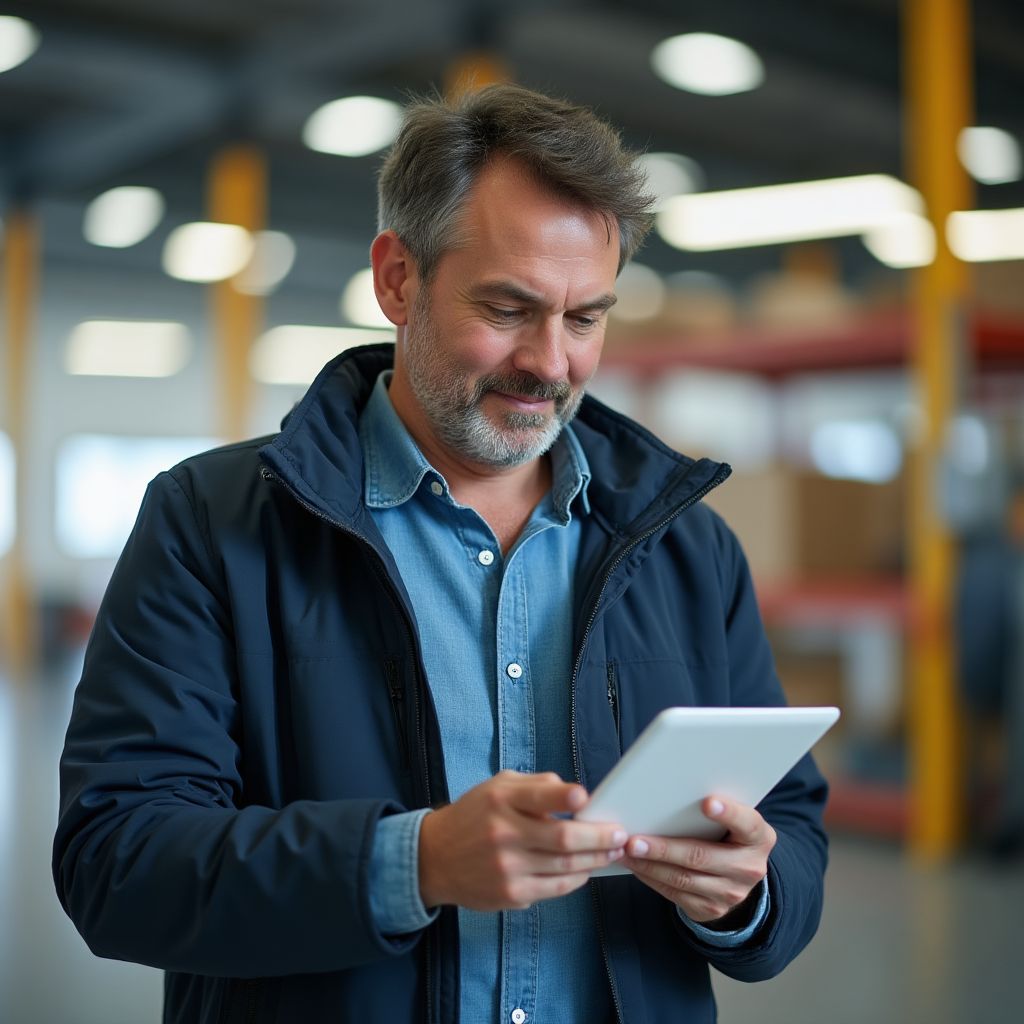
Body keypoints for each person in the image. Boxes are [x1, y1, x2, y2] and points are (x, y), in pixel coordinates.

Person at [54, 84, 828, 1023]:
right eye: (508, 307)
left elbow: (789, 829)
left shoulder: (688, 547)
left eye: (585, 317)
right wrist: (412, 863)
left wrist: (747, 894)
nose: (551, 362)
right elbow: (118, 863)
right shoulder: (209, 525)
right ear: (397, 280)